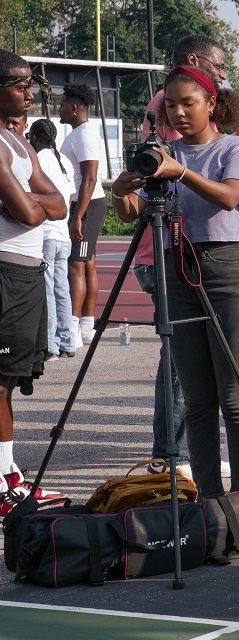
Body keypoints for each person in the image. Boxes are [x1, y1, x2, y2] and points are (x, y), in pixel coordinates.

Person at [109, 66, 239, 499]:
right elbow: (129, 212)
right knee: (197, 400)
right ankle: (209, 502)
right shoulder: (162, 153)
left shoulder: (235, 147)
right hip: (177, 269)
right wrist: (120, 189)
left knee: (235, 396)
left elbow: (231, 197)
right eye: (170, 105)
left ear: (212, 104)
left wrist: (178, 172)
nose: (178, 113)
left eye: (187, 103)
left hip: (229, 268)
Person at [0, 50, 70, 515]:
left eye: (31, 85)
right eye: (20, 84)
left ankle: (9, 476)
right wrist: (32, 202)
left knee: (8, 381)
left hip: (27, 272)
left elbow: (57, 203)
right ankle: (4, 483)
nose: (30, 93)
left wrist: (30, 201)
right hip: (5, 270)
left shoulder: (18, 143)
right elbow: (29, 212)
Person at [59, 83, 107, 349]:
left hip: (87, 205)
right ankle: (87, 325)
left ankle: (74, 329)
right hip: (86, 205)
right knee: (86, 262)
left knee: (76, 265)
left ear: (75, 108)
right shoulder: (79, 133)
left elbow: (89, 177)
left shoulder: (85, 134)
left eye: (63, 104)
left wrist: (78, 215)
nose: (59, 108)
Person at [27, 119, 76, 360]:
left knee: (46, 290)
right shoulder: (63, 160)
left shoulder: (38, 160)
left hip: (45, 232)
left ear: (35, 137)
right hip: (62, 234)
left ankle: (51, 345)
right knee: (61, 287)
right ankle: (68, 341)